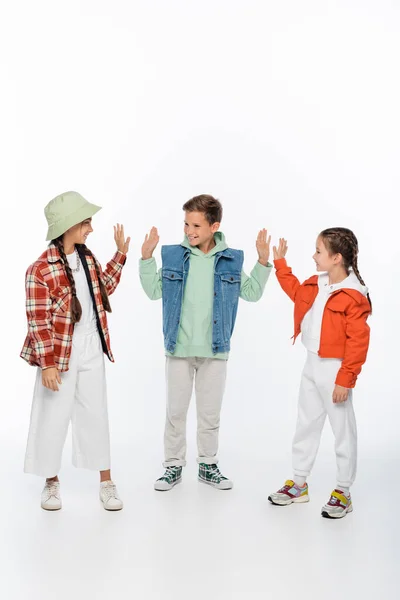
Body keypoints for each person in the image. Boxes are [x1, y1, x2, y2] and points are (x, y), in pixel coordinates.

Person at [21, 191, 130, 511]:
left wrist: (121, 254)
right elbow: (37, 320)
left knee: (96, 414)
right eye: (85, 223)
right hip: (59, 353)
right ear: (67, 226)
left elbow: (103, 288)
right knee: (52, 416)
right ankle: (51, 482)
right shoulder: (39, 270)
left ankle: (106, 482)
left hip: (92, 348)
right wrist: (48, 364)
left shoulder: (87, 258)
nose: (90, 229)